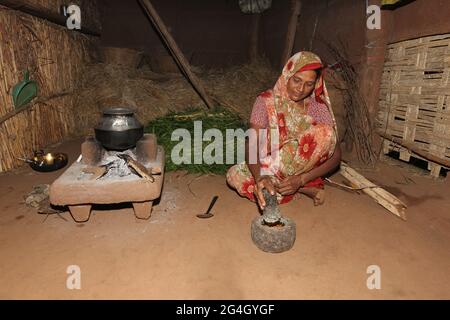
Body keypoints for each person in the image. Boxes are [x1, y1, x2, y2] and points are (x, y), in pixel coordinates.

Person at [226, 51, 341, 209]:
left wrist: (301, 179)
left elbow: (336, 156)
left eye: (309, 84)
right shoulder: (265, 101)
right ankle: (302, 190)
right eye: (297, 80)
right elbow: (251, 144)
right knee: (235, 175)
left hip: (300, 169)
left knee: (325, 133)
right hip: (270, 165)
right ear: (287, 74)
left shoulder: (317, 108)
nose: (301, 89)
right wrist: (261, 177)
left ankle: (293, 186)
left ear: (316, 83)